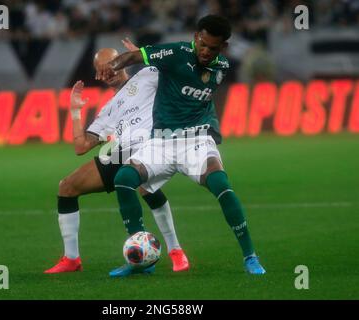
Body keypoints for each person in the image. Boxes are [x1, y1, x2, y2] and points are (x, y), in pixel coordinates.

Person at [97, 15, 266, 275]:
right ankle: (139, 260)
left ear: (223, 47)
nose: (206, 51)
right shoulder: (175, 52)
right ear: (196, 37)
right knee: (123, 178)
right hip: (161, 142)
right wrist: (112, 64)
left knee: (220, 184)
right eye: (203, 44)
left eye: (213, 47)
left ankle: (250, 257)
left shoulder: (222, 66)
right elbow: (133, 58)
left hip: (196, 139)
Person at [44, 48, 189, 276]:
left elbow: (176, 67)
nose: (108, 71)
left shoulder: (147, 75)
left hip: (152, 144)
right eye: (101, 69)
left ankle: (175, 250)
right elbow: (81, 146)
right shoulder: (107, 110)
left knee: (142, 184)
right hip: (121, 150)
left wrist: (142, 54)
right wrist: (74, 112)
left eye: (111, 64)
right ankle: (71, 259)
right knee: (67, 187)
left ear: (122, 62)